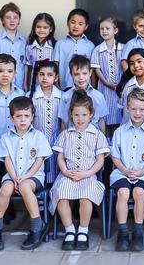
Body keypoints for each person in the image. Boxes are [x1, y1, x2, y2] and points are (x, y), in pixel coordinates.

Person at [0, 97, 52, 251]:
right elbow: (7, 160)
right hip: (13, 174)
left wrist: (26, 176)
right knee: (5, 189)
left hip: (33, 176)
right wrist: (14, 176)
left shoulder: (38, 136)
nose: (23, 120)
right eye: (18, 116)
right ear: (11, 118)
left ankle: (37, 227)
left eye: (26, 116)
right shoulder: (6, 138)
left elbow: (39, 160)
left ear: (32, 116)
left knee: (24, 187)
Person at [50, 91, 109, 251]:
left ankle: (83, 230)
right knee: (61, 195)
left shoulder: (97, 135)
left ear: (91, 115)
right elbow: (60, 157)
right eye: (76, 115)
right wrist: (65, 171)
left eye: (84, 114)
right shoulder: (65, 134)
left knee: (86, 197)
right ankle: (70, 230)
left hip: (88, 175)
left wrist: (88, 173)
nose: (80, 119)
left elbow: (100, 160)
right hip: (67, 175)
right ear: (70, 114)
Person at [110, 88, 144, 252]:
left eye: (141, 109)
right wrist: (124, 170)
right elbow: (115, 157)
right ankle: (123, 232)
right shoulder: (119, 132)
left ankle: (138, 231)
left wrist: (142, 171)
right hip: (121, 171)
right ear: (127, 108)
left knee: (139, 193)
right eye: (134, 109)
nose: (137, 113)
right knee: (123, 192)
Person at [28, 60, 62, 184]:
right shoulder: (30, 97)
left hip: (56, 141)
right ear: (37, 76)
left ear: (56, 77)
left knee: (55, 172)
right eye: (41, 74)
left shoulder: (62, 97)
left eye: (49, 75)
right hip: (36, 143)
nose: (45, 78)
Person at [58, 55, 108, 133]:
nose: (81, 77)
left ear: (90, 73)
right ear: (71, 75)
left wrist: (102, 141)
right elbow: (63, 122)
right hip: (72, 138)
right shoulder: (65, 97)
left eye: (84, 73)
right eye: (77, 74)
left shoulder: (99, 96)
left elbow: (101, 121)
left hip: (93, 138)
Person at [91, 16, 124, 130]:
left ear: (115, 30)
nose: (104, 31)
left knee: (119, 114)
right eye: (102, 29)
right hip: (104, 88)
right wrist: (106, 82)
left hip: (120, 88)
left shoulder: (123, 48)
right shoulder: (97, 50)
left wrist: (121, 83)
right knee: (105, 115)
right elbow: (96, 69)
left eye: (107, 28)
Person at [0, 2, 27, 87]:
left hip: (19, 85)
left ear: (19, 20)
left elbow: (25, 65)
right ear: (2, 20)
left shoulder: (23, 41)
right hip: (1, 85)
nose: (12, 20)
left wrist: (25, 84)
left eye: (15, 17)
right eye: (8, 17)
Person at [52, 8, 95, 90]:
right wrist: (56, 86)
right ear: (68, 23)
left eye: (80, 24)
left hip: (84, 87)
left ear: (86, 27)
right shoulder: (60, 44)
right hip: (64, 87)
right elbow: (55, 66)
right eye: (73, 22)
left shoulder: (90, 45)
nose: (76, 26)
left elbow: (92, 69)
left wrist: (93, 87)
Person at [24, 12, 57, 90]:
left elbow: (56, 67)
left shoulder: (54, 46)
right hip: (34, 82)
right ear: (34, 28)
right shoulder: (29, 46)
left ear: (51, 29)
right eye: (38, 27)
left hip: (49, 82)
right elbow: (27, 66)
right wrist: (25, 83)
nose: (41, 30)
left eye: (45, 27)